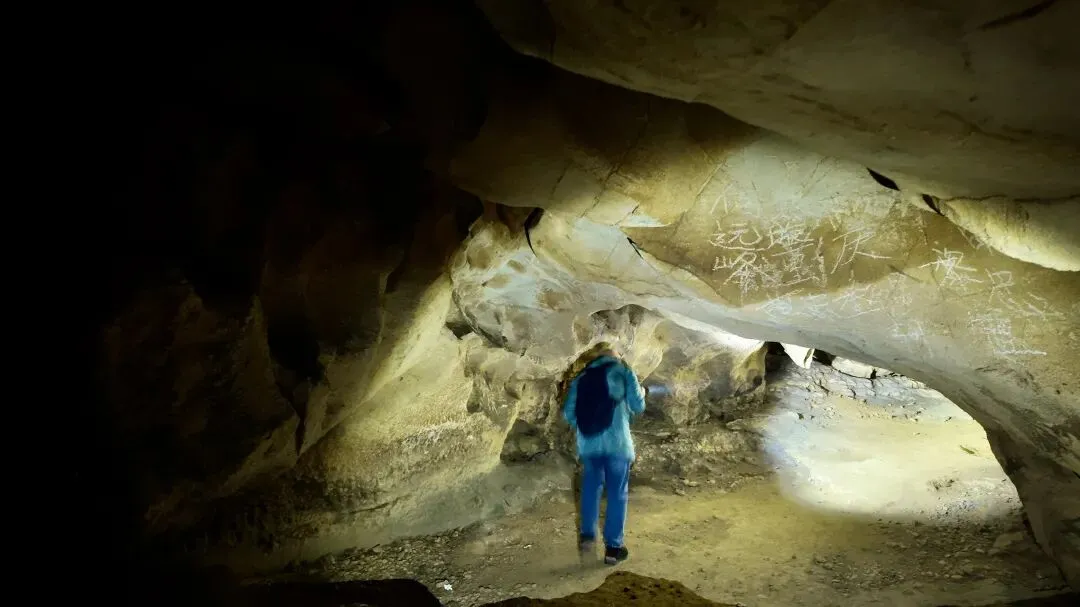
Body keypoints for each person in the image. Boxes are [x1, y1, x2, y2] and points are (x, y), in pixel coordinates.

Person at [562, 342, 646, 565]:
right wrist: (641, 394)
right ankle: (613, 548)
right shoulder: (624, 372)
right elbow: (638, 406)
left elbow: (568, 413)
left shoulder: (581, 378)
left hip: (590, 446)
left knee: (591, 489)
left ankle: (588, 536)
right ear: (616, 356)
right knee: (617, 494)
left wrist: (589, 427)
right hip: (618, 445)